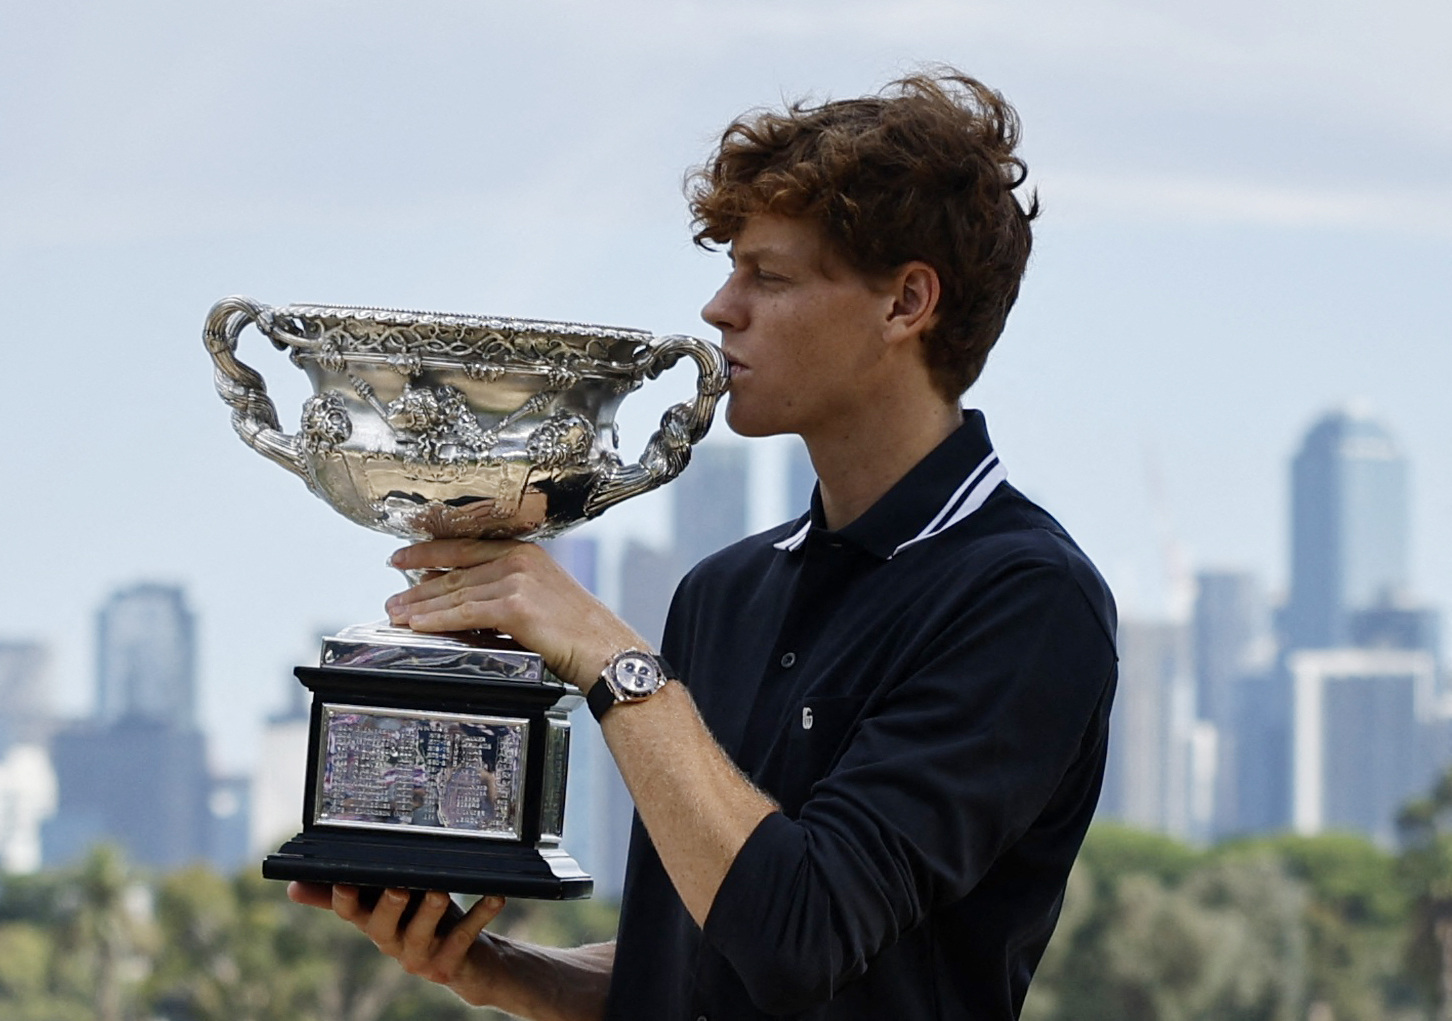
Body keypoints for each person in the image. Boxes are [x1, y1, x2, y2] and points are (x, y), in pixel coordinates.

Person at [289, 69, 1118, 1021]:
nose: (722, 308)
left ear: (905, 304)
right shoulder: (724, 593)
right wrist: (499, 972)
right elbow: (698, 967)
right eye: (730, 270)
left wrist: (610, 657)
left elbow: (802, 934)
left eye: (768, 274)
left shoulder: (1024, 597)